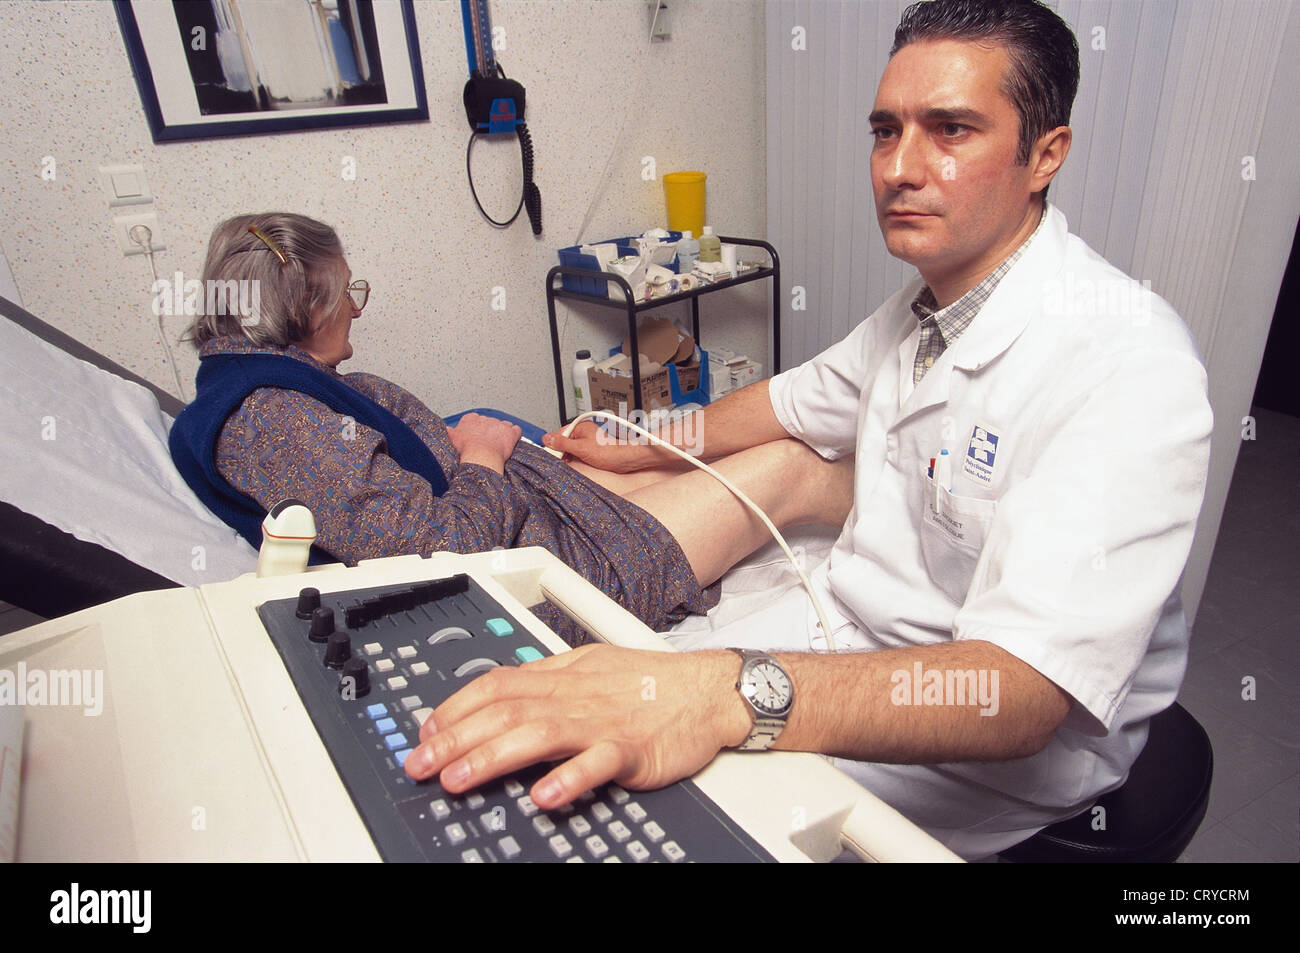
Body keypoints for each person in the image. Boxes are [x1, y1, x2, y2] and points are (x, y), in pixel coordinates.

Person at [400, 0, 1213, 859]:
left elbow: (1016, 694)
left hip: (983, 743)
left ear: (1044, 154)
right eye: (884, 130)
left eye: (951, 130)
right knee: (599, 685)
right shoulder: (922, 310)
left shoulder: (1128, 364)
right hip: (846, 629)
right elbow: (784, 401)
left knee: (635, 803)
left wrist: (719, 693)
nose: (900, 167)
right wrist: (638, 437)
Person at [168, 213, 854, 646]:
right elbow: (444, 551)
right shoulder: (273, 424)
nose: (356, 306)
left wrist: (469, 440)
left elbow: (380, 486)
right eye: (347, 290)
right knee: (788, 466)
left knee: (671, 461)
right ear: (306, 307)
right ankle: (923, 531)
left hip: (533, 505)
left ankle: (897, 494)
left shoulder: (266, 382)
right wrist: (482, 452)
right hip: (541, 576)